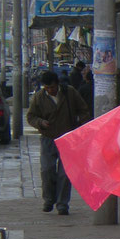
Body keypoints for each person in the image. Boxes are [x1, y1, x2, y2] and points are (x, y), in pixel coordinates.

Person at [27, 70, 90, 216]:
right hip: (48, 138)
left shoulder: (70, 92)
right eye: (48, 88)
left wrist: (81, 126)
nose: (51, 90)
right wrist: (41, 122)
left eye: (53, 87)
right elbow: (31, 117)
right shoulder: (39, 97)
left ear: (58, 84)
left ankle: (62, 204)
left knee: (65, 173)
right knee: (47, 170)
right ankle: (48, 200)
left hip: (68, 139)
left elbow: (83, 110)